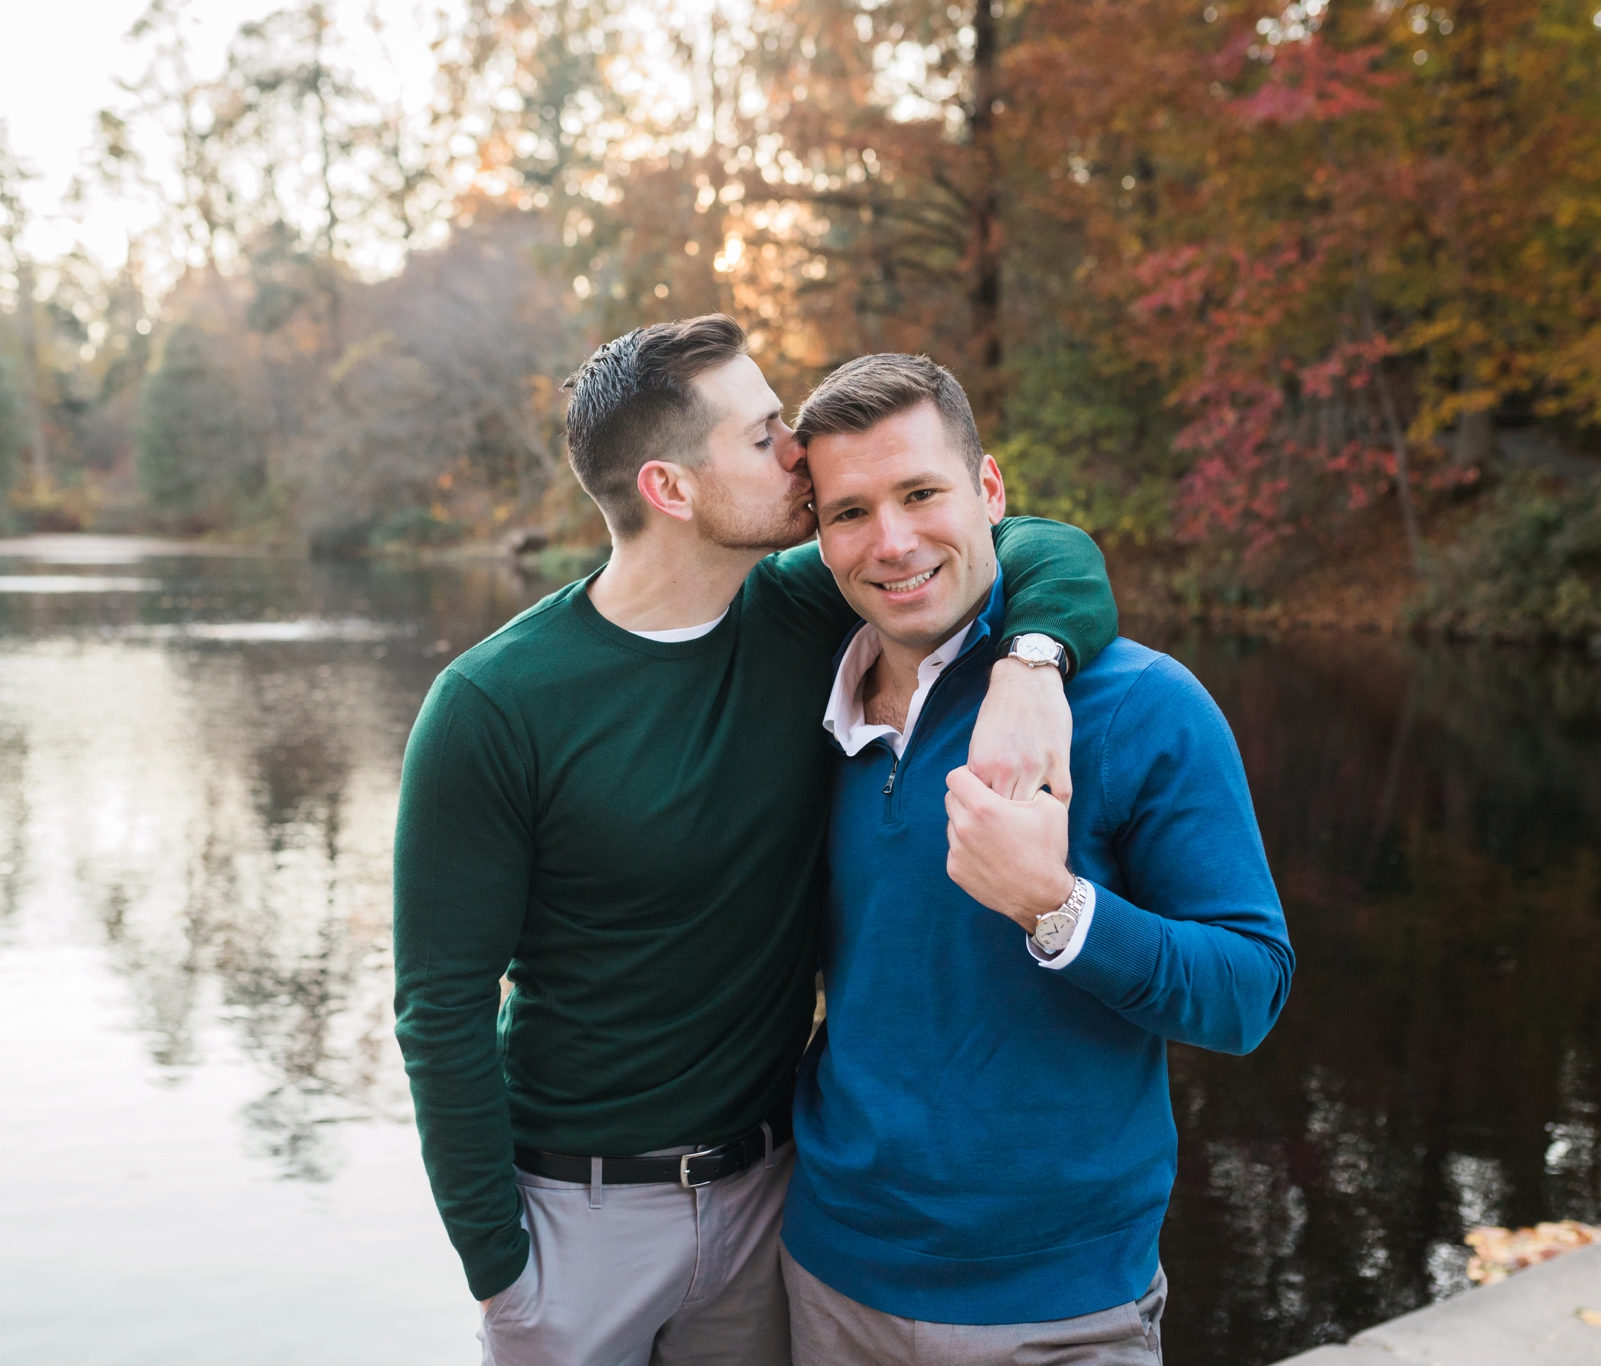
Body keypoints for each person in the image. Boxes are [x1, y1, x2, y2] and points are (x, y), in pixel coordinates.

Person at [392, 315, 1119, 1366]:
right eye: (765, 434)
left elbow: (1038, 543)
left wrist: (1029, 662)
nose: (799, 456)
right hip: (576, 1219)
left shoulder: (791, 613)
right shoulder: (491, 707)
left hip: (773, 1199)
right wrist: (499, 1269)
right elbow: (439, 1008)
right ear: (670, 489)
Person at [781, 353, 1294, 1364]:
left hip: (1059, 1306)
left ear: (990, 492)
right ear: (819, 534)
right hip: (829, 1277)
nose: (891, 541)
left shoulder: (1138, 706)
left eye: (921, 493)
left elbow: (1247, 991)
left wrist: (1057, 910)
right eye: (849, 512)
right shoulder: (800, 699)